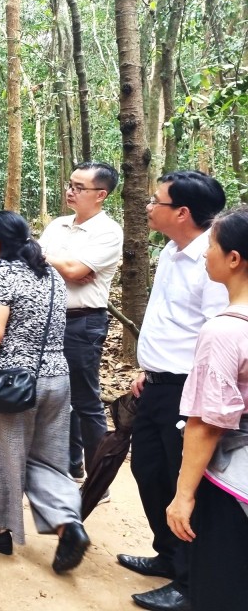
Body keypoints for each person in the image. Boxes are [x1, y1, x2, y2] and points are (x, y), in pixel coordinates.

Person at [0, 210, 90, 574]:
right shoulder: (51, 275)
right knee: (48, 460)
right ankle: (67, 524)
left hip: (14, 385)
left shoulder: (1, 276)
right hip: (57, 381)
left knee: (1, 457)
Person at [120, 171, 228, 611]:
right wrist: (150, 369)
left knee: (186, 484)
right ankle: (168, 556)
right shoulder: (170, 250)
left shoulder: (214, 261)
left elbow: (215, 334)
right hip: (159, 382)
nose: (149, 206)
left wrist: (190, 389)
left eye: (156, 200)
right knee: (149, 470)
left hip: (189, 389)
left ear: (181, 212)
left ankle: (189, 581)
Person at [165, 206, 248, 611]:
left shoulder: (224, 330)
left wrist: (183, 495)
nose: (204, 254)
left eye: (212, 246)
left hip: (233, 484)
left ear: (234, 258)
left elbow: (207, 423)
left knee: (220, 585)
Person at [38, 162, 123, 482]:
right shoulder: (58, 225)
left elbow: (73, 272)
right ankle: (71, 466)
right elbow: (58, 268)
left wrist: (56, 263)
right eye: (69, 185)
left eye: (78, 187)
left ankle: (98, 480)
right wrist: (69, 268)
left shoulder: (108, 232)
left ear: (101, 195)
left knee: (86, 401)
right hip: (48, 318)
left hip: (82, 322)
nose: (69, 191)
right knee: (58, 396)